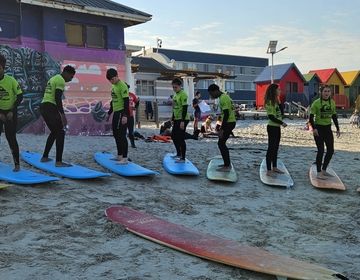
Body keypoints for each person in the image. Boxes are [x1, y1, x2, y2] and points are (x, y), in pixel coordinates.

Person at [40, 65, 75, 167]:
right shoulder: (60, 80)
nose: (71, 79)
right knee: (60, 132)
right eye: (71, 77)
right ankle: (58, 162)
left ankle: (45, 157)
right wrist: (63, 115)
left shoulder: (54, 78)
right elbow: (57, 98)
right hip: (50, 107)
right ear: (66, 73)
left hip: (43, 106)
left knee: (55, 132)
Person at [309, 85, 340, 180]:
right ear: (321, 93)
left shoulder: (332, 103)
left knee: (330, 151)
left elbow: (334, 116)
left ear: (330, 93)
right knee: (321, 150)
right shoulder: (316, 103)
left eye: (328, 91)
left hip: (328, 129)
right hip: (318, 129)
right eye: (325, 91)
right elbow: (311, 118)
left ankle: (324, 170)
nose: (327, 93)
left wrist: (338, 128)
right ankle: (318, 172)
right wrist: (314, 129)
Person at [0, 54, 23, 171]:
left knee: (11, 138)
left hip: (11, 112)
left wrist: (11, 111)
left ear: (3, 68)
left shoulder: (11, 80)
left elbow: (20, 96)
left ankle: (17, 164)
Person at [207, 84, 236, 172]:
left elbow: (227, 114)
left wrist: (221, 129)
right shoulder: (223, 97)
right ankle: (226, 164)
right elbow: (225, 112)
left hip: (229, 122)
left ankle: (227, 165)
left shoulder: (223, 98)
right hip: (229, 122)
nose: (211, 96)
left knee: (221, 144)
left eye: (211, 94)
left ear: (215, 91)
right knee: (221, 143)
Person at [106, 68, 130, 164]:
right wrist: (109, 113)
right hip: (116, 113)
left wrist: (125, 115)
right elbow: (113, 101)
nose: (111, 81)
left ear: (116, 76)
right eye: (110, 80)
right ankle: (119, 156)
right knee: (116, 135)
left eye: (112, 79)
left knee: (122, 136)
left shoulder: (122, 86)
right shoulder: (114, 86)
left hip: (121, 112)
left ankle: (125, 158)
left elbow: (126, 102)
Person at [264, 83, 287, 177]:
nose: (280, 91)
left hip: (277, 127)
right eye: (278, 89)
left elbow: (281, 113)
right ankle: (268, 170)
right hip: (272, 127)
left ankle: (275, 167)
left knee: (276, 148)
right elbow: (271, 117)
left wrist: (279, 101)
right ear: (274, 90)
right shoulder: (269, 102)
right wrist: (282, 123)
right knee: (271, 148)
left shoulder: (276, 101)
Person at [171, 78, 190, 162]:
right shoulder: (175, 94)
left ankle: (183, 158)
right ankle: (178, 153)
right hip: (176, 118)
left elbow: (185, 108)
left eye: (175, 87)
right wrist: (172, 118)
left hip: (183, 119)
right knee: (173, 136)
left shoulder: (183, 94)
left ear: (180, 86)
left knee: (180, 138)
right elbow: (174, 107)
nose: (174, 89)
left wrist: (182, 121)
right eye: (173, 87)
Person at [126, 83, 139, 148]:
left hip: (130, 116)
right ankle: (124, 144)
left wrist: (135, 107)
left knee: (131, 131)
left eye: (127, 88)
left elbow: (137, 101)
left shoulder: (132, 95)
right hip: (123, 116)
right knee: (123, 132)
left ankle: (132, 144)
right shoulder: (121, 95)